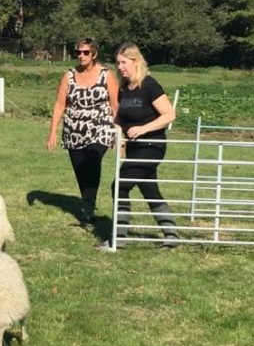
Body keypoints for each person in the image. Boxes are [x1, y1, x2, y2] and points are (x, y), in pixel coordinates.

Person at [46, 37, 118, 230]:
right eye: (78, 52)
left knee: (92, 161)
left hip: (100, 127)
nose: (81, 55)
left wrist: (118, 132)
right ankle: (88, 203)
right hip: (74, 130)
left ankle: (88, 208)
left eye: (86, 52)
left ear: (94, 54)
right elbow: (60, 104)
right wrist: (53, 131)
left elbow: (115, 105)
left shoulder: (106, 75)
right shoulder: (69, 76)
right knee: (80, 170)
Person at [112, 43, 179, 246]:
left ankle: (118, 237)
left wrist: (143, 129)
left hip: (151, 145)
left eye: (123, 62)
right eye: (118, 63)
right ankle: (172, 235)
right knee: (150, 189)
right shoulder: (124, 88)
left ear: (135, 61)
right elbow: (121, 119)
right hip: (134, 148)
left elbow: (169, 114)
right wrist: (118, 137)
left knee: (119, 185)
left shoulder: (149, 85)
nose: (120, 67)